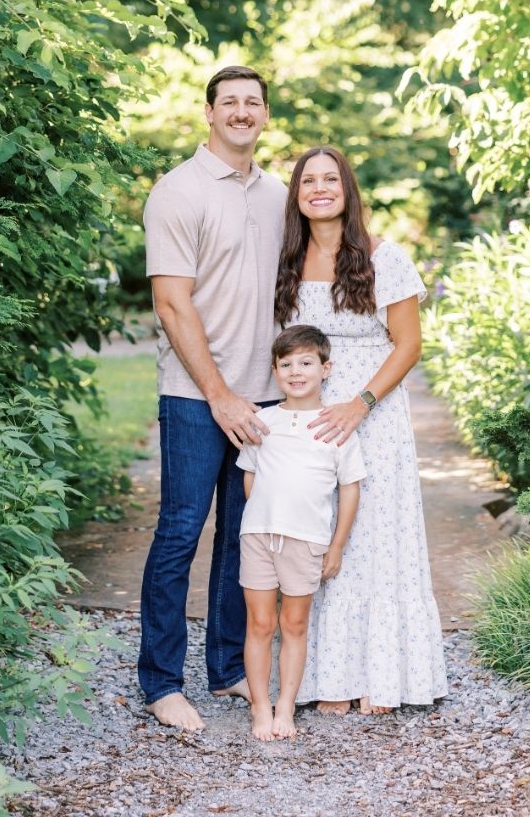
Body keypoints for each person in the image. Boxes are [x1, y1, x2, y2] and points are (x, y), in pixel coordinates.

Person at [139, 65, 288, 732]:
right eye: (228, 102)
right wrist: (221, 394)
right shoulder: (178, 192)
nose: (241, 111)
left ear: (264, 115)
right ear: (208, 113)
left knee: (244, 534)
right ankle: (161, 682)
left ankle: (226, 666)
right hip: (198, 399)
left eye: (252, 102)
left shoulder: (278, 194)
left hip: (269, 399)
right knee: (180, 532)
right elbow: (171, 303)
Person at [275, 145, 448, 714]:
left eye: (331, 179)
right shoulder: (288, 261)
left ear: (347, 190)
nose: (319, 189)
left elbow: (410, 345)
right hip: (310, 412)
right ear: (296, 195)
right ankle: (330, 676)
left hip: (372, 412)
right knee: (321, 532)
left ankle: (384, 674)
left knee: (376, 534)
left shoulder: (383, 256)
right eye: (308, 181)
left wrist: (361, 403)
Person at [236, 325, 364, 742]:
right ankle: (260, 706)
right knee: (259, 624)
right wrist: (263, 516)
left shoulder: (336, 427)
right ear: (275, 372)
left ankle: (285, 706)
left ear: (325, 369)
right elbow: (250, 477)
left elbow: (350, 488)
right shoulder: (263, 420)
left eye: (306, 363)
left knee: (293, 625)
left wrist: (337, 545)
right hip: (258, 536)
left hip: (306, 540)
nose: (296, 371)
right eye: (286, 364)